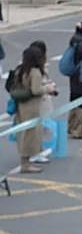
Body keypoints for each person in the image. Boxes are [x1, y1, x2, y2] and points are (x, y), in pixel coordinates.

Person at [8, 45, 54, 173]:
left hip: (21, 104)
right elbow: (36, 90)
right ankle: (25, 163)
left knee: (24, 132)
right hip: (32, 105)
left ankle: (26, 160)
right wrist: (48, 89)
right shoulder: (35, 72)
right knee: (31, 134)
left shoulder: (21, 70)